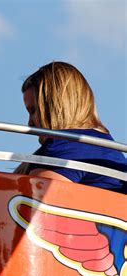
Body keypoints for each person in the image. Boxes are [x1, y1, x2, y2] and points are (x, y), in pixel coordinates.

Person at [15, 61, 126, 193]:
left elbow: (32, 206)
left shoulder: (65, 147)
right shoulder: (109, 149)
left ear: (54, 107)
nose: (30, 123)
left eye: (34, 111)